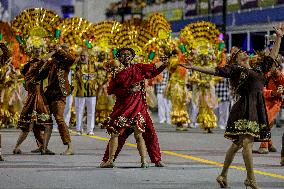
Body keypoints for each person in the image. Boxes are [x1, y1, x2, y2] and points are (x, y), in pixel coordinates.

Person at [180, 44, 277, 188]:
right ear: (236, 60)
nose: (243, 53)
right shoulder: (236, 70)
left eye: (243, 51)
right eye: (239, 53)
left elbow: (271, 57)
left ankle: (223, 175)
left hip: (256, 108)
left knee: (237, 144)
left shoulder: (258, 68)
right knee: (246, 143)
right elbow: (215, 71)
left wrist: (279, 37)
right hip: (244, 109)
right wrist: (194, 67)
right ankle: (251, 178)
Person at [100, 48, 168, 168]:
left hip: (139, 107)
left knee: (149, 133)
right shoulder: (117, 73)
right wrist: (127, 90)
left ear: (132, 56)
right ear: (119, 58)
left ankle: (155, 159)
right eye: (123, 55)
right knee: (117, 134)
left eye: (129, 54)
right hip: (124, 108)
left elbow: (152, 70)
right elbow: (111, 90)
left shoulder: (139, 68)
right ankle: (108, 160)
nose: (126, 56)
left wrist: (163, 64)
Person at [13, 46, 54, 155]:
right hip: (36, 100)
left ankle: (41, 146)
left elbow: (44, 71)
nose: (38, 53)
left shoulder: (31, 70)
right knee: (45, 125)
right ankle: (42, 147)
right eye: (36, 51)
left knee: (35, 126)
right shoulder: (33, 66)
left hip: (35, 99)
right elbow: (43, 62)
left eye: (39, 51)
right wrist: (54, 52)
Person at [42, 44, 76, 155]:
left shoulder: (66, 63)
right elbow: (42, 69)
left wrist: (59, 50)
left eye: (64, 51)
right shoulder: (51, 62)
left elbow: (72, 58)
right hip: (49, 94)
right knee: (45, 119)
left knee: (59, 118)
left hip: (60, 94)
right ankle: (43, 147)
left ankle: (70, 146)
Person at [73, 50, 97, 135]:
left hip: (91, 92)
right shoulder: (76, 65)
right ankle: (79, 129)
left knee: (91, 111)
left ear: (88, 56)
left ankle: (90, 130)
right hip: (80, 91)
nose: (83, 57)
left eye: (84, 56)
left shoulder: (94, 65)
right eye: (81, 55)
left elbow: (97, 76)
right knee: (79, 111)